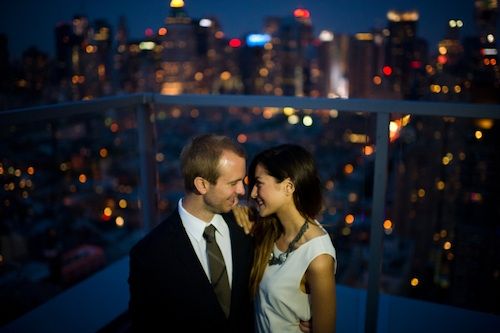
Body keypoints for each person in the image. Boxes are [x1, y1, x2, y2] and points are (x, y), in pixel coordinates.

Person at [128, 134, 254, 332]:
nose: (241, 190)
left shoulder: (246, 226)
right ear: (201, 185)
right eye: (233, 183)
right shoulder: (150, 255)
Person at [248, 144, 337, 333]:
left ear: (288, 187)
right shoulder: (270, 230)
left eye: (259, 183)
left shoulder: (318, 256)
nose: (253, 193)